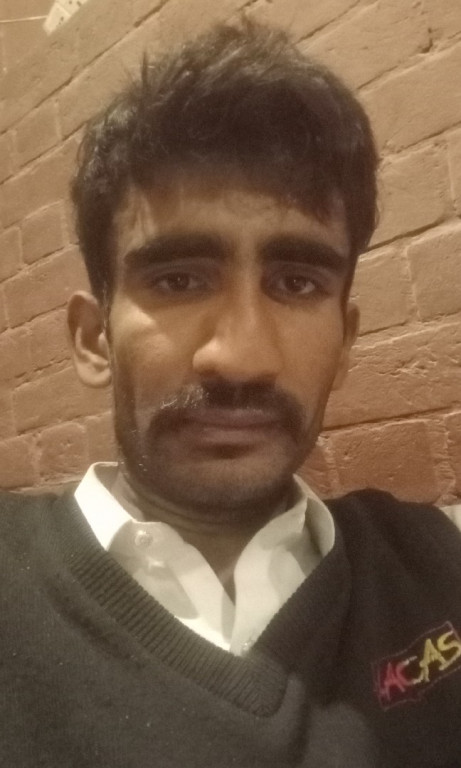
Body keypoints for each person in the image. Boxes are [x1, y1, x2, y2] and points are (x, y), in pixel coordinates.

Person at [1, 20, 461, 768]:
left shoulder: (437, 564)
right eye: (179, 279)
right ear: (93, 340)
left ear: (344, 342)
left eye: (296, 282)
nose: (240, 358)